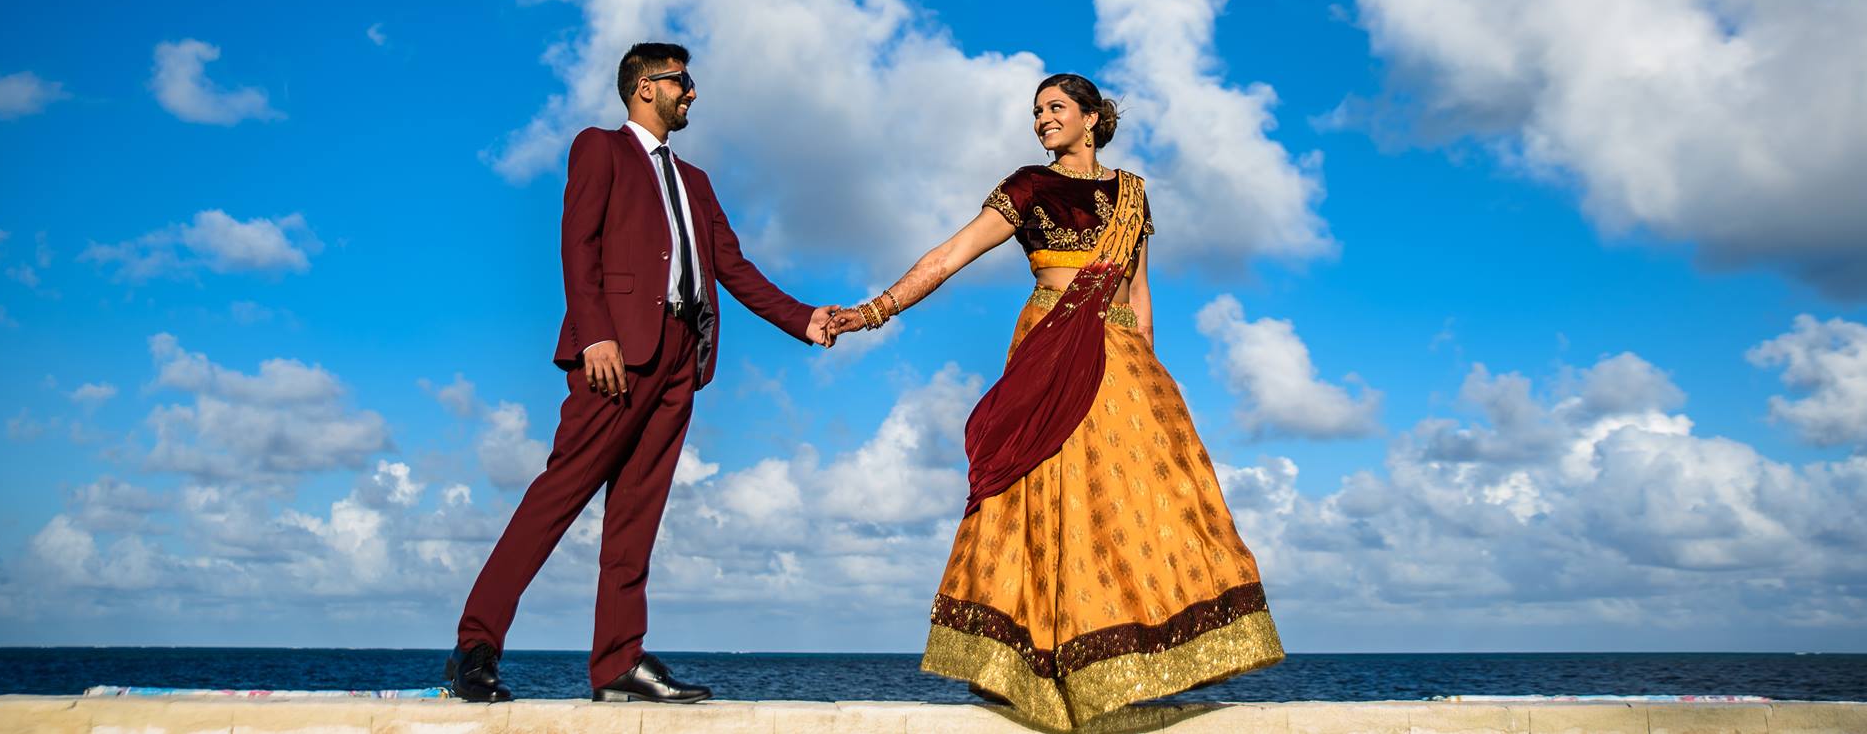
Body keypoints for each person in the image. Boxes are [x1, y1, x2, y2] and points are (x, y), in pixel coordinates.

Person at [831, 73, 1283, 730]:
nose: (1043, 118)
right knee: (1036, 490)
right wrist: (875, 310)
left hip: (1120, 351)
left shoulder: (1132, 194)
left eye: (1056, 108)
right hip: (1050, 338)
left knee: (1133, 497)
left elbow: (1138, 289)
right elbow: (953, 252)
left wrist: (1152, 374)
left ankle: (1130, 661)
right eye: (1037, 110)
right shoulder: (1028, 186)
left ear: (1092, 118)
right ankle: (1024, 666)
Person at [445, 42, 843, 704]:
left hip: (680, 360)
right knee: (555, 499)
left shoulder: (698, 181)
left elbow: (733, 268)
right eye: (682, 80)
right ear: (643, 87)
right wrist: (595, 331)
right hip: (615, 357)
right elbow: (579, 242)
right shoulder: (599, 147)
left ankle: (618, 663)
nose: (692, 92)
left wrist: (802, 318)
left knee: (637, 516)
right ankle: (474, 647)